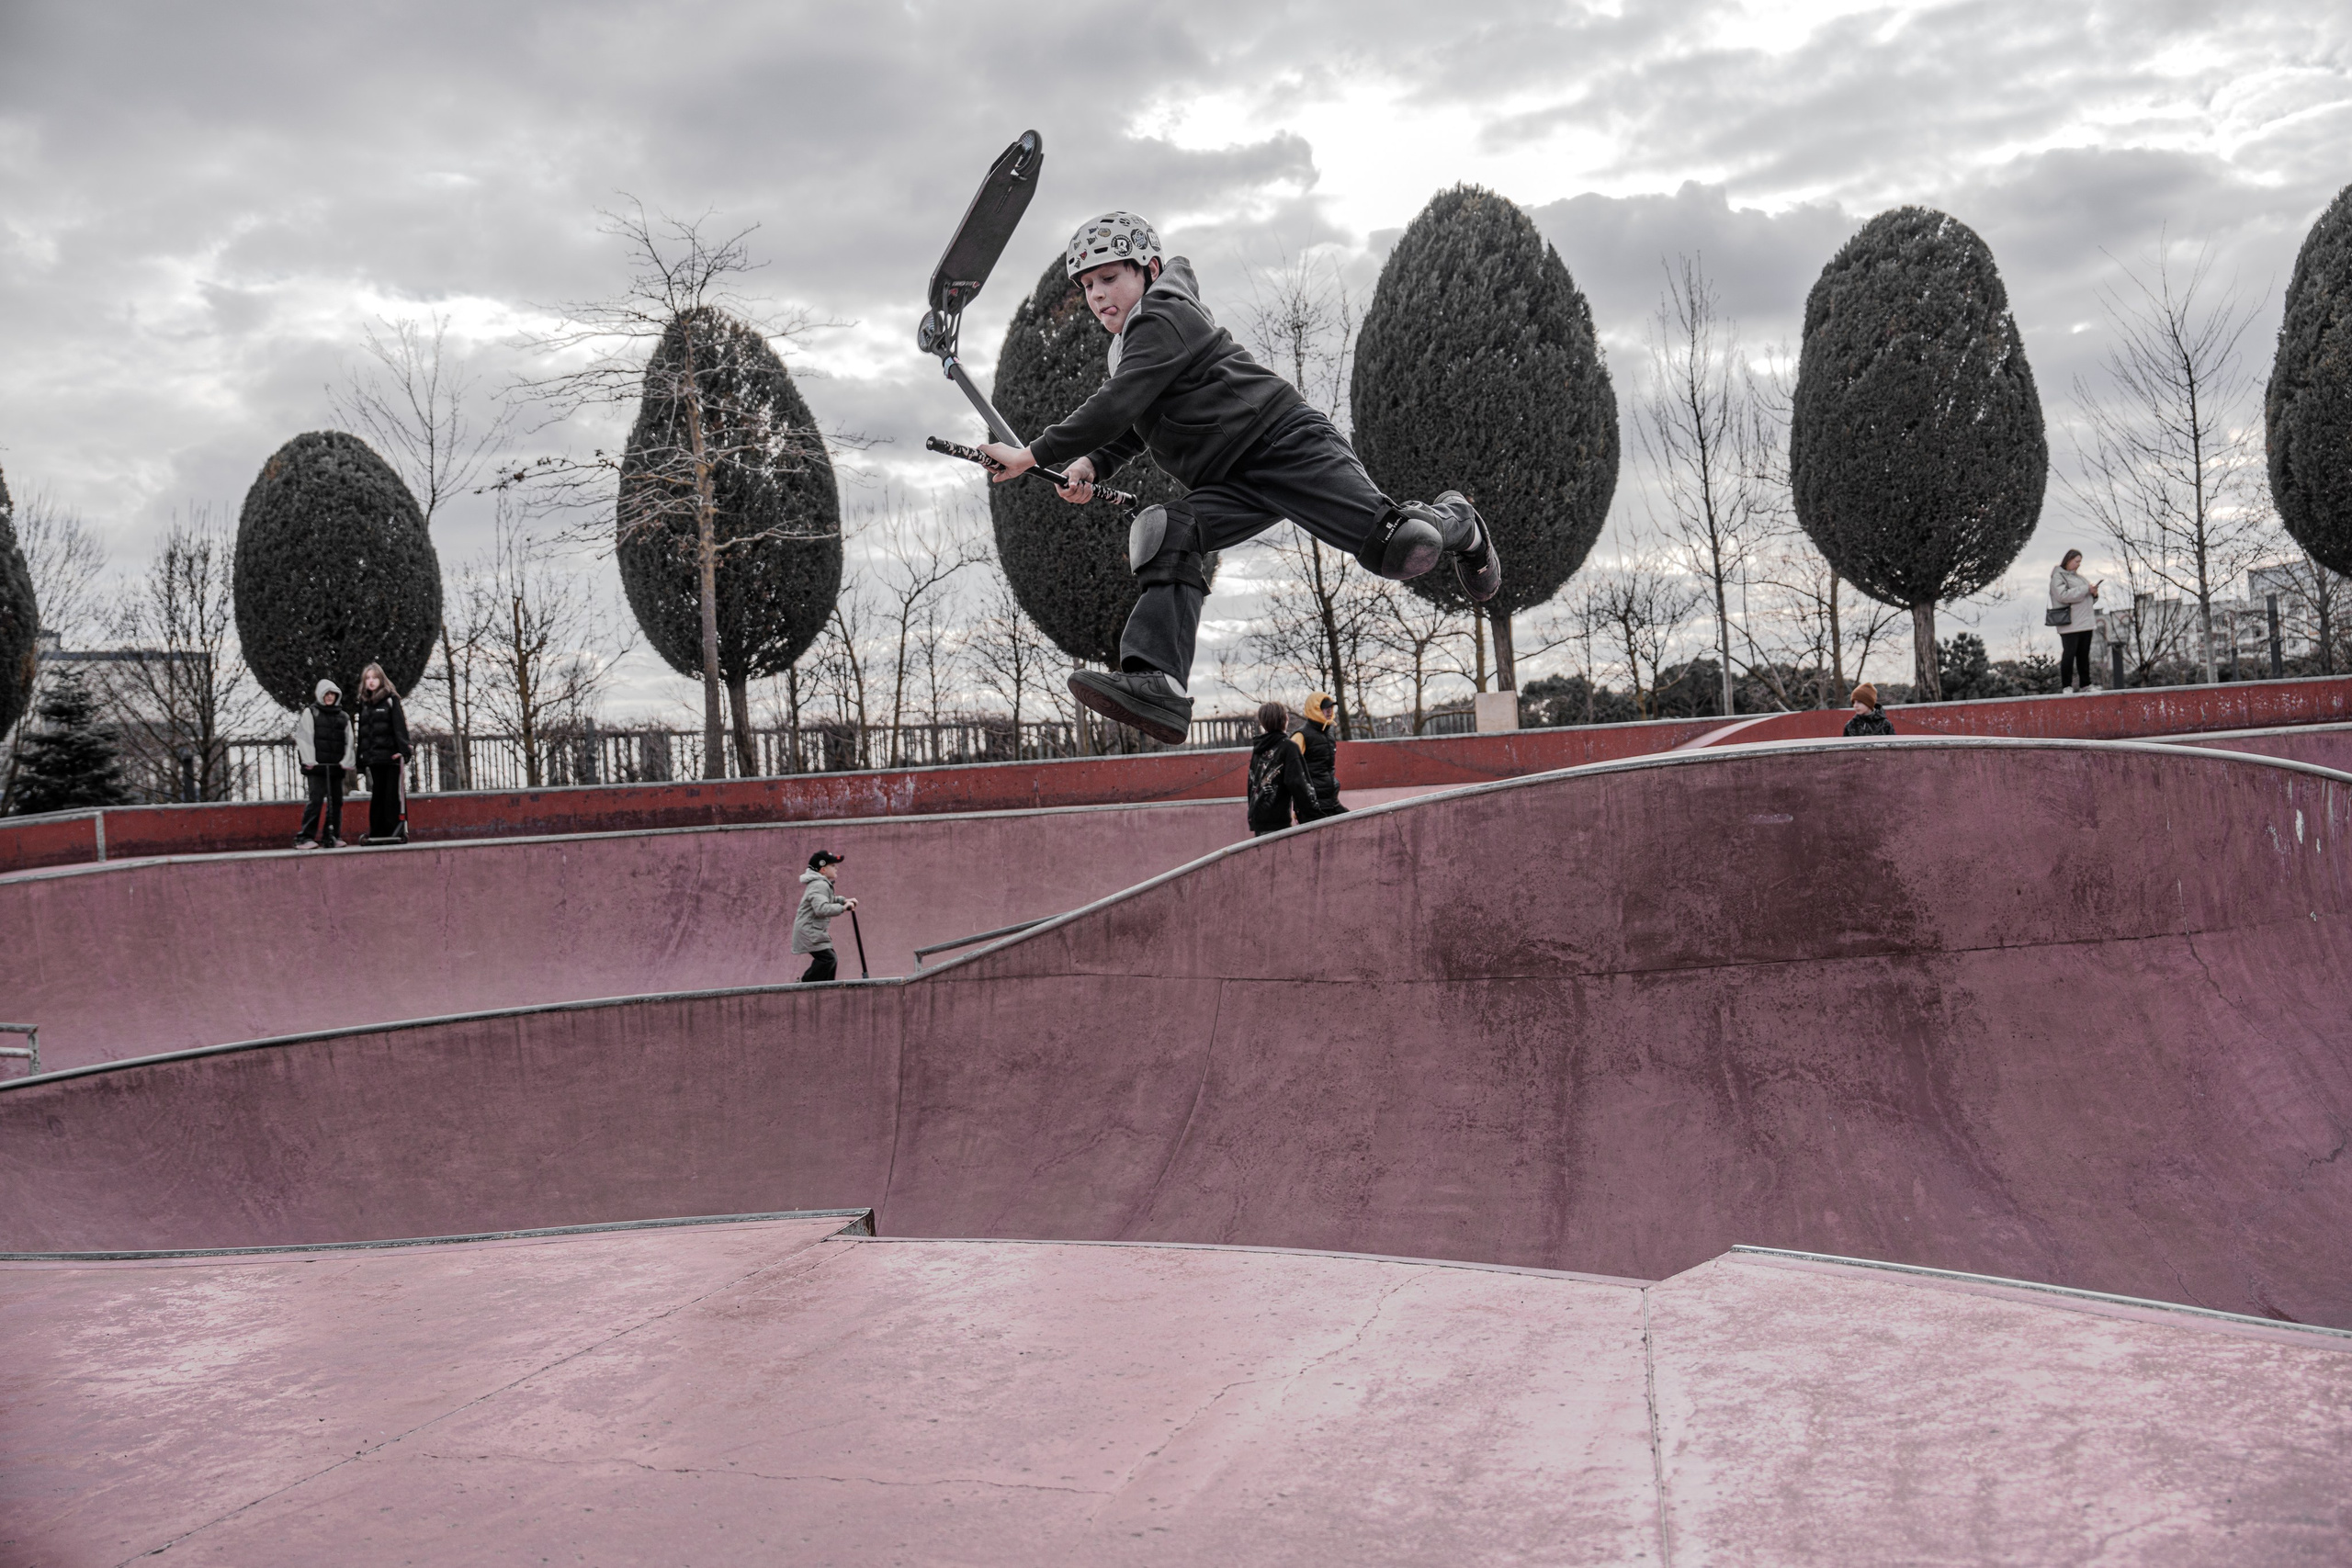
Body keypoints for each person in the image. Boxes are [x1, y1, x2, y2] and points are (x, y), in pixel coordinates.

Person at [978, 212, 1502, 746]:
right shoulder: (1128, 348)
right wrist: (1092, 465)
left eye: (1110, 278)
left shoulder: (1163, 314)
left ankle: (1460, 521)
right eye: (1088, 286)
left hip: (1286, 446)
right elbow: (1136, 420)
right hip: (1231, 478)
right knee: (1170, 530)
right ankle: (1156, 680)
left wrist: (1031, 453)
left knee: (1403, 547)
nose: (1097, 295)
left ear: (1149, 269)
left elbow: (1117, 404)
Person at [290, 679, 356, 848]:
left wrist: (346, 761)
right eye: (326, 694)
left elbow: (349, 741)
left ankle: (331, 836)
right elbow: (304, 737)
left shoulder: (343, 717)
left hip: (335, 767)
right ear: (320, 695)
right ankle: (305, 836)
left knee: (336, 802)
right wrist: (309, 760)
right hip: (317, 767)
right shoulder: (311, 713)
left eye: (332, 694)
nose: (329, 697)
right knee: (316, 801)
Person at [352, 663, 412, 844]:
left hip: (391, 757)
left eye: (374, 678)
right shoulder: (364, 703)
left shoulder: (390, 699)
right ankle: (377, 831)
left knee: (391, 795)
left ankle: (393, 829)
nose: (371, 682)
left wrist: (403, 751)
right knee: (377, 794)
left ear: (381, 679)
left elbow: (399, 727)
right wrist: (361, 760)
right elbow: (362, 733)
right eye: (368, 678)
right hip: (374, 758)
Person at [1246, 701, 1320, 836]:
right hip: (1278, 821)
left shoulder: (1259, 748)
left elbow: (1252, 782)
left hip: (1258, 819)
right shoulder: (1288, 747)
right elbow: (1298, 783)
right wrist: (1313, 815)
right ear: (1285, 719)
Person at [794, 850, 858, 983]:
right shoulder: (819, 885)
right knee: (828, 959)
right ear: (823, 870)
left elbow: (827, 899)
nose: (836, 868)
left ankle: (826, 986)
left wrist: (842, 900)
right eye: (833, 866)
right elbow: (821, 909)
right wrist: (843, 908)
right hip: (810, 932)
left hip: (813, 931)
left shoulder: (821, 884)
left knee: (830, 958)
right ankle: (805, 983)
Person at [2049, 549, 2102, 693]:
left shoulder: (2079, 578)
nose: (2079, 564)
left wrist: (2094, 593)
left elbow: (2087, 598)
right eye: (2077, 561)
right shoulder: (2058, 576)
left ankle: (2086, 684)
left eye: (2080, 562)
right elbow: (2063, 596)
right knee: (2069, 654)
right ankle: (2067, 685)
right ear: (2069, 560)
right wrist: (2086, 589)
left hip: (2086, 621)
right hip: (2070, 623)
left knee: (2083, 655)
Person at [1295, 692, 1347, 820]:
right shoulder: (1301, 736)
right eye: (1325, 708)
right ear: (1315, 709)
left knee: (1354, 823)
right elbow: (1292, 773)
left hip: (1330, 801)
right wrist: (1296, 808)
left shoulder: (1329, 732)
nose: (1329, 711)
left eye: (1331, 707)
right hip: (1312, 804)